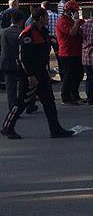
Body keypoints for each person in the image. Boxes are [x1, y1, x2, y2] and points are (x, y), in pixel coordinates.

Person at [1, 8, 75, 139]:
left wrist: (51, 40)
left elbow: (44, 44)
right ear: (41, 18)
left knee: (49, 101)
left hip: (41, 72)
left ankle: (55, 129)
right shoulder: (28, 33)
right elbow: (23, 57)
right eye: (46, 16)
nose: (48, 19)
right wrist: (30, 75)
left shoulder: (43, 31)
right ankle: (7, 127)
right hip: (30, 74)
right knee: (22, 101)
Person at [55, 0, 85, 105]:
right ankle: (66, 97)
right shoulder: (62, 21)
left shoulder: (73, 21)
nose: (76, 13)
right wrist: (76, 22)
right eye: (74, 11)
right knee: (68, 76)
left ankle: (75, 95)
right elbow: (72, 32)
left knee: (79, 75)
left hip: (77, 52)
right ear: (68, 11)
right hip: (67, 53)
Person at [1, 11, 25, 110]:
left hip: (7, 62)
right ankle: (29, 105)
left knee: (11, 88)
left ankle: (13, 107)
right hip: (20, 62)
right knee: (25, 85)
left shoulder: (3, 32)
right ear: (21, 21)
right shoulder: (22, 33)